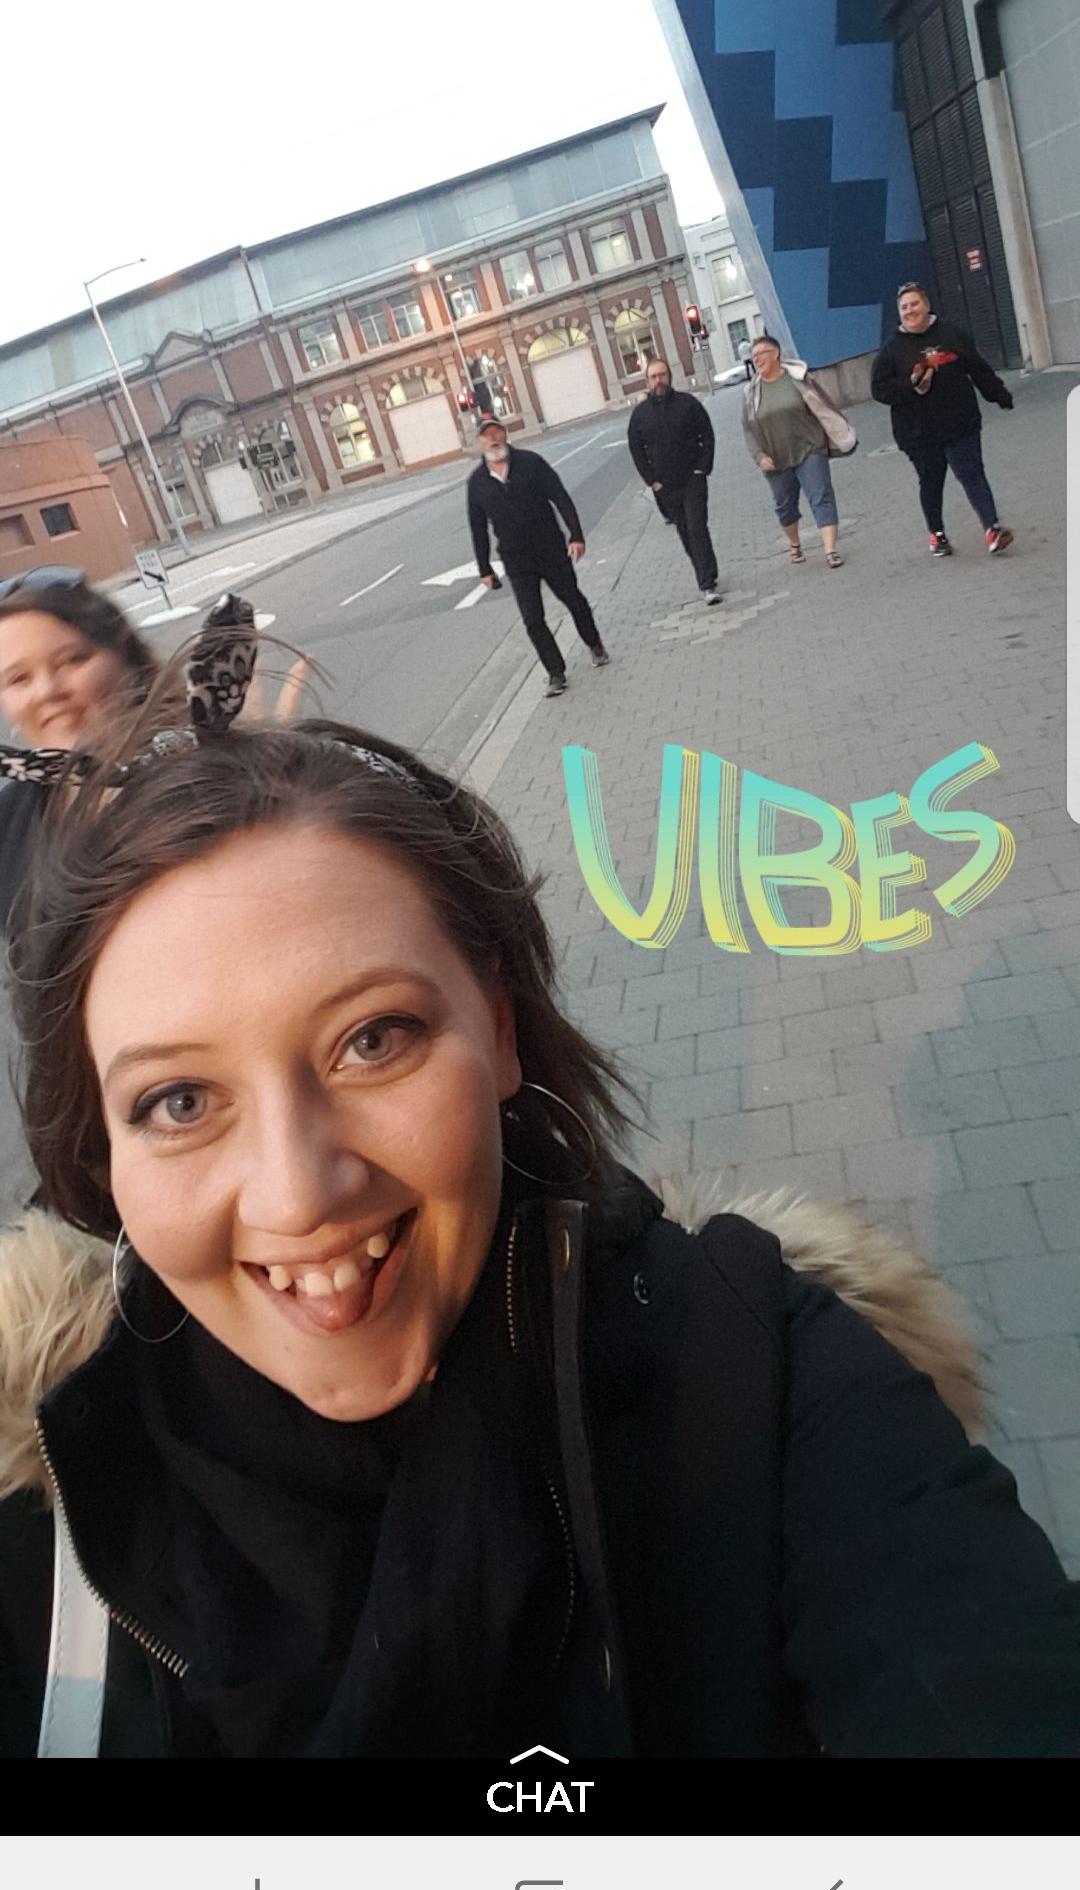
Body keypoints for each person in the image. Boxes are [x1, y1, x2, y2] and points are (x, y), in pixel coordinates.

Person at [1, 616, 1079, 1759]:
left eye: (373, 1039)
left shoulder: (754, 1376)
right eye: (178, 1101)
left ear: (501, 1028)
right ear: (102, 1154)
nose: (297, 1193)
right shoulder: (41, 1509)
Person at [0, 569, 161, 928]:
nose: (47, 691)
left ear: (127, 659)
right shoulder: (8, 823)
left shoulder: (208, 776)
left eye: (72, 660)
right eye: (19, 679)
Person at [870, 282, 1016, 558]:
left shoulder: (951, 334)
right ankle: (936, 534)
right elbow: (879, 390)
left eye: (914, 304)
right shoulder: (891, 350)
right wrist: (911, 386)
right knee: (931, 480)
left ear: (926, 305)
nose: (910, 310)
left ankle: (992, 529)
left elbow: (977, 368)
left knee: (972, 474)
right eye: (904, 307)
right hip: (919, 433)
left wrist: (998, 394)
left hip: (959, 422)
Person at [467, 417, 608, 699]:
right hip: (516, 560)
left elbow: (560, 497)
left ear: (505, 435)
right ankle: (555, 672)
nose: (493, 439)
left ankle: (594, 644)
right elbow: (478, 527)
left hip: (550, 549)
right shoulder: (477, 482)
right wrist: (484, 569)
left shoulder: (531, 463)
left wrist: (576, 535)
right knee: (532, 619)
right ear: (479, 443)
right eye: (486, 436)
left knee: (573, 600)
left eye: (497, 432)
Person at [741, 336, 856, 569]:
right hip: (775, 457)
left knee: (821, 495)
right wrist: (759, 456)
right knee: (785, 506)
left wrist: (837, 433)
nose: (757, 359)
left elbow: (822, 406)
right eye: (754, 356)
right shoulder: (751, 391)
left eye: (761, 353)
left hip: (810, 447)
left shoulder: (799, 379)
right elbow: (748, 428)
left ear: (775, 354)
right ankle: (794, 544)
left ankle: (830, 550)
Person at [627, 358, 720, 604]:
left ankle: (707, 584)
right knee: (685, 531)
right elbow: (636, 450)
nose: (658, 381)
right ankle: (706, 569)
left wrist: (702, 467)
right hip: (665, 485)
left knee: (697, 527)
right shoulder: (640, 415)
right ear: (647, 381)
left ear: (670, 376)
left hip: (692, 478)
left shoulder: (688, 404)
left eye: (662, 375)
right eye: (653, 377)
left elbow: (707, 435)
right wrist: (652, 482)